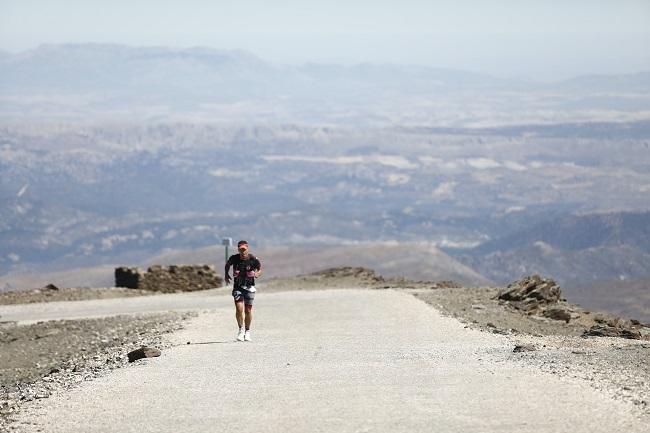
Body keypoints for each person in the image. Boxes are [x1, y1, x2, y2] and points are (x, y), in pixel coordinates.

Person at [224, 240, 262, 341]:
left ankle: (247, 331)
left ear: (247, 249)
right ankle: (241, 330)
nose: (243, 252)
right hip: (238, 287)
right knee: (239, 308)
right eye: (241, 250)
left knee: (248, 310)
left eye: (244, 250)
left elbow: (259, 268)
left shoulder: (253, 258)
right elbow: (227, 265)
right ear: (238, 249)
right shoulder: (234, 258)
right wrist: (226, 274)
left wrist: (257, 274)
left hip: (249, 287)